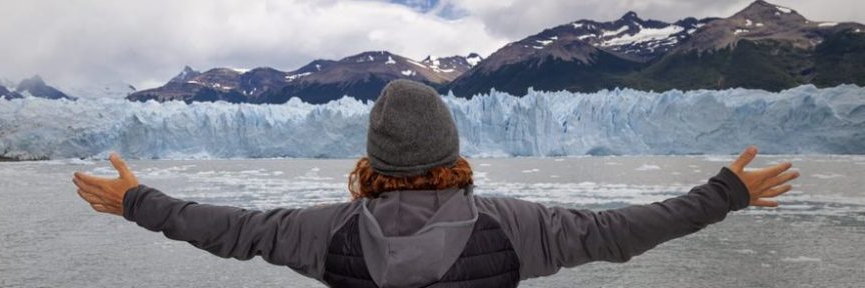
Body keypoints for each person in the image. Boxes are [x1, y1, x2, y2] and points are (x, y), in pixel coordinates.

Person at [73, 79, 799, 288]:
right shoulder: (517, 228)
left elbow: (230, 230)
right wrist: (725, 193)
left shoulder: (322, 233)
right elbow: (621, 232)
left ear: (370, 163)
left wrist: (138, 201)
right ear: (451, 153)